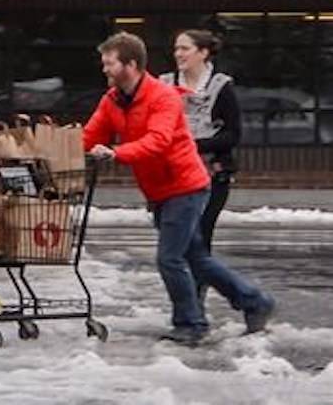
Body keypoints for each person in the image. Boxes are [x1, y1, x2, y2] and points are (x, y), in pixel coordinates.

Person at [83, 32, 275, 344]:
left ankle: (190, 324)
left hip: (185, 185)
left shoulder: (162, 97)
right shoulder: (113, 101)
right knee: (196, 258)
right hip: (158, 190)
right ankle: (254, 301)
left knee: (170, 258)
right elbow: (90, 135)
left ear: (130, 65)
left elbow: (158, 142)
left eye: (109, 63)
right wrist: (58, 147)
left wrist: (117, 153)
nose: (104, 69)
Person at [159, 29, 242, 253]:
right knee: (173, 237)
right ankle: (184, 283)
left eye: (185, 48)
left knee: (200, 234)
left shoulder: (221, 86)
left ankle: (198, 286)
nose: (178, 54)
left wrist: (194, 146)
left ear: (203, 52)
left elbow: (233, 134)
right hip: (171, 173)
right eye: (176, 48)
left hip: (211, 174)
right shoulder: (164, 85)